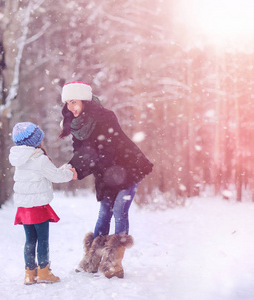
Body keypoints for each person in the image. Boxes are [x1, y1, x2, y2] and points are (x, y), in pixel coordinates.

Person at [59, 81, 153, 278]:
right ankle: (92, 260)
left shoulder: (105, 117)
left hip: (126, 168)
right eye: (68, 103)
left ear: (84, 100)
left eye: (74, 102)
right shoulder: (77, 126)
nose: (70, 108)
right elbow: (82, 152)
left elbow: (102, 148)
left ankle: (113, 263)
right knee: (104, 213)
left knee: (119, 210)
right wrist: (73, 167)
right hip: (105, 173)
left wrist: (79, 166)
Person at [9, 122, 77, 285]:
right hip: (37, 206)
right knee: (43, 240)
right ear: (35, 141)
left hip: (24, 207)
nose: (43, 142)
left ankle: (29, 272)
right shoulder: (39, 159)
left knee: (30, 240)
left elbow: (42, 175)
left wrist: (62, 170)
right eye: (41, 139)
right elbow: (56, 176)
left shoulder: (20, 159)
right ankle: (44, 272)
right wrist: (69, 173)